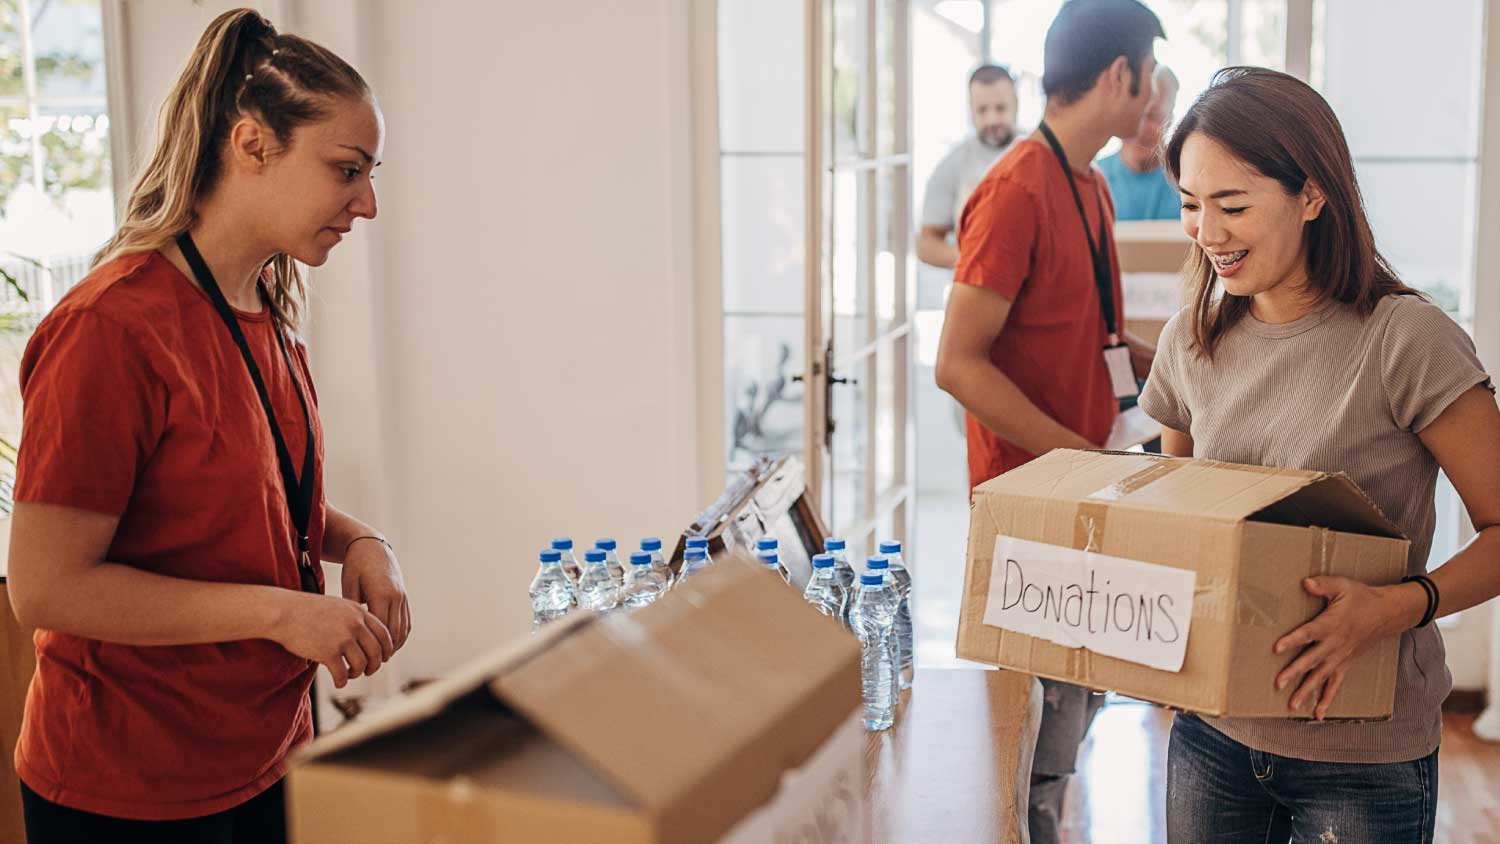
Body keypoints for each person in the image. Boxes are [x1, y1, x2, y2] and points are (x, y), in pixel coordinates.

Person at [6, 9, 411, 843]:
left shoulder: (266, 308)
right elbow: (48, 587)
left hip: (262, 758)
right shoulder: (111, 329)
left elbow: (247, 499)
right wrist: (279, 614)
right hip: (127, 789)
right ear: (252, 144)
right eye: (346, 170)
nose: (366, 204)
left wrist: (365, 542)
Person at [1143, 67, 1500, 844]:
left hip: (1361, 757)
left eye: (1233, 205)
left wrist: (1397, 606)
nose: (1207, 233)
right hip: (1211, 736)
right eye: (1191, 204)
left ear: (1312, 195)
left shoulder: (1405, 340)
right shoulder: (1191, 339)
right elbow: (1174, 517)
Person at [933, 1, 1164, 840]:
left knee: (1075, 712)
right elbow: (956, 363)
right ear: (1117, 77)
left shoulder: (1090, 182)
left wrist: (1178, 357)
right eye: (1147, 82)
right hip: (1031, 503)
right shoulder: (1016, 189)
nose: (1152, 104)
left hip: (1087, 488)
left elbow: (1093, 333)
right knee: (1034, 730)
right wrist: (1076, 455)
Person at [916, 64, 1020, 270]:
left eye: (1000, 108)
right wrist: (978, 261)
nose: (992, 119)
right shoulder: (953, 164)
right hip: (975, 291)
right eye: (982, 110)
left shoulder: (1040, 155)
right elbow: (926, 244)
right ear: (970, 109)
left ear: (1016, 104)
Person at [1097, 64, 1181, 220]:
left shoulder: (1187, 181)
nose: (1139, 128)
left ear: (1170, 120)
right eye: (1132, 114)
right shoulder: (1095, 179)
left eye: (1153, 116)